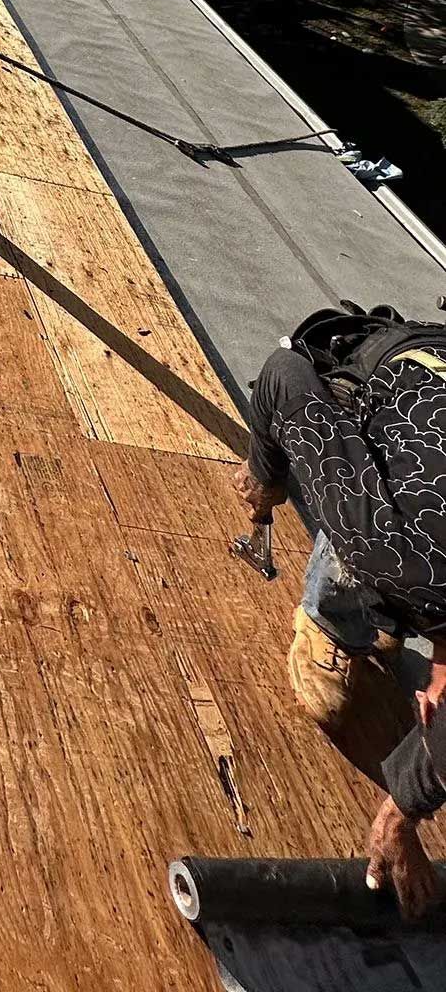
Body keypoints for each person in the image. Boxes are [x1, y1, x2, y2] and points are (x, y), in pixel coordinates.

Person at [234, 305, 446, 918]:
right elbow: (284, 375)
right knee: (372, 535)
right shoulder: (403, 551)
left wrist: (405, 808)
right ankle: (333, 619)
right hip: (394, 366)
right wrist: (265, 474)